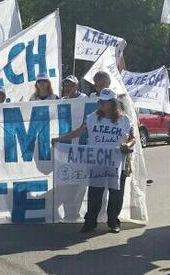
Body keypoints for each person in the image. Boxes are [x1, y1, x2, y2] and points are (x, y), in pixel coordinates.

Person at [52, 88, 135, 234]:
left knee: (116, 193)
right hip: (97, 161)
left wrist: (127, 145)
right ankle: (90, 222)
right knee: (95, 192)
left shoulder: (124, 120)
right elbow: (79, 131)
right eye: (100, 101)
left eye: (105, 102)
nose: (102, 104)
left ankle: (113, 222)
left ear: (113, 103)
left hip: (116, 162)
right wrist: (60, 139)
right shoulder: (92, 118)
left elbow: (132, 138)